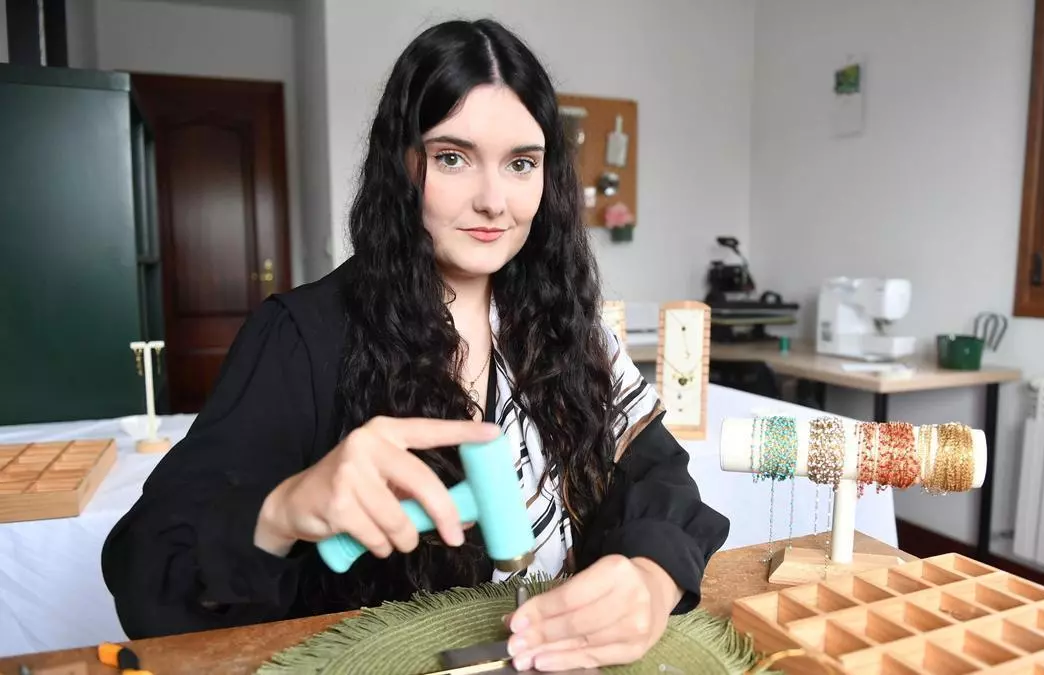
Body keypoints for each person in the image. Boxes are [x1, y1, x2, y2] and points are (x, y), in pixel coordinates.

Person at [101, 17, 729, 672]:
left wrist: (651, 576)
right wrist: (282, 511)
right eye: (453, 157)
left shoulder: (571, 327)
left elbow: (659, 478)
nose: (493, 201)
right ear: (401, 163)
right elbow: (152, 564)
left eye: (521, 163)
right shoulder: (302, 336)